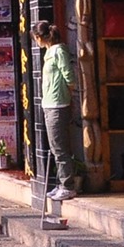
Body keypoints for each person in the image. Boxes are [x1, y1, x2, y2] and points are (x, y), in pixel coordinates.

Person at [33, 21, 83, 202]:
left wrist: (68, 94)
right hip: (49, 103)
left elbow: (68, 75)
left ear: (39, 37)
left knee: (60, 147)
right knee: (55, 147)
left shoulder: (58, 50)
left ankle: (68, 186)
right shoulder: (49, 52)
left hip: (58, 104)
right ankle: (61, 184)